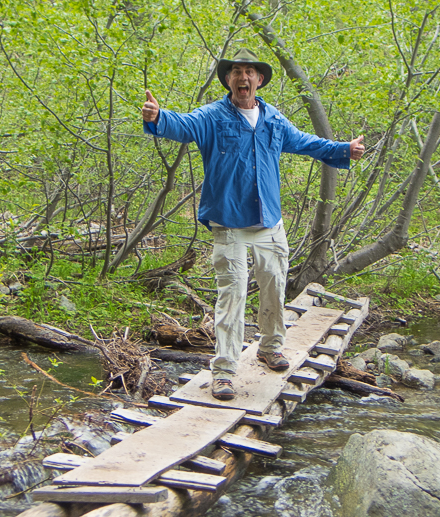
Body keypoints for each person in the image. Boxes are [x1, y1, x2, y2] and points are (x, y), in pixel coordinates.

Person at [142, 49, 365, 400]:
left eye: (249, 72)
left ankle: (270, 347)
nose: (243, 78)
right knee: (232, 296)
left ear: (259, 80)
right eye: (236, 72)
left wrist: (343, 149)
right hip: (228, 221)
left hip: (268, 222)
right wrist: (158, 118)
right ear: (228, 80)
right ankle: (225, 372)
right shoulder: (213, 116)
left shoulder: (274, 120)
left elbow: (306, 143)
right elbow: (182, 125)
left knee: (275, 286)